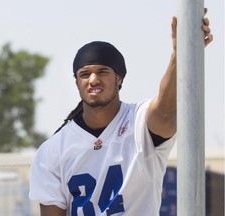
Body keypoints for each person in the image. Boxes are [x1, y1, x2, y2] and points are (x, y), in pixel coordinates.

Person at [29, 9, 213, 216]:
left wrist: (179, 56)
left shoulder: (139, 122)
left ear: (119, 78)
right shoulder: (52, 150)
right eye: (85, 74)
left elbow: (166, 110)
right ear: (77, 82)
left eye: (102, 72)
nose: (93, 80)